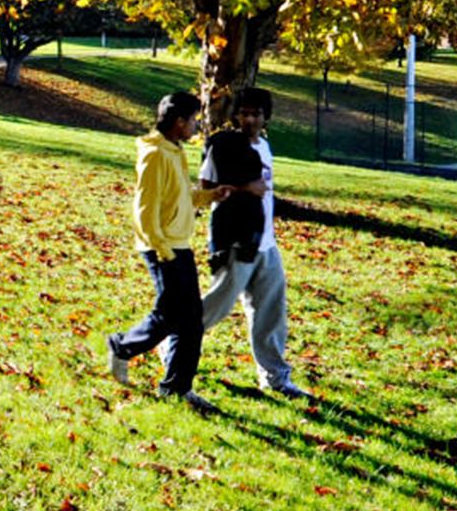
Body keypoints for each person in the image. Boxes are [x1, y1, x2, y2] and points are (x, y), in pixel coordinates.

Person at [106, 90, 228, 414]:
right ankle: (122, 347)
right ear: (178, 122)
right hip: (162, 246)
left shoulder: (174, 150)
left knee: (190, 321)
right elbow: (144, 209)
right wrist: (162, 250)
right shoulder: (155, 154)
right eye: (193, 121)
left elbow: (179, 195)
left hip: (178, 244)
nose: (196, 127)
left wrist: (211, 195)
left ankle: (176, 388)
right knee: (172, 315)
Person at [198, 87, 307, 398]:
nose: (250, 119)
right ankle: (173, 345)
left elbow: (265, 193)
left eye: (256, 114)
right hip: (235, 240)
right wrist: (247, 188)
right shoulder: (223, 145)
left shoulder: (265, 146)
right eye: (244, 113)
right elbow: (206, 188)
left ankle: (275, 378)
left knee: (271, 312)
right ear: (236, 116)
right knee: (216, 307)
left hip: (265, 243)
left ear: (265, 117)